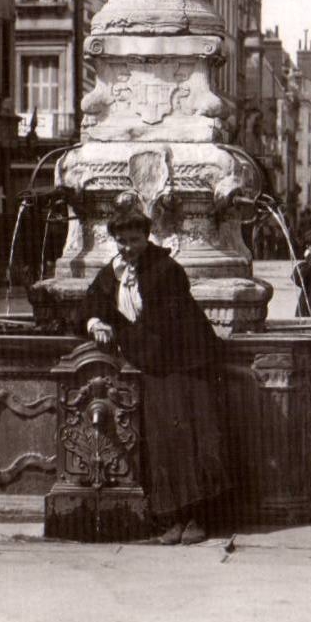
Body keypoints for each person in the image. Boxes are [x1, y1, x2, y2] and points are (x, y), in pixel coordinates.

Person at [81, 204, 227, 545]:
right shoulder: (115, 269)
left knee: (191, 439)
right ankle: (172, 518)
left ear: (146, 237)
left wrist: (117, 329)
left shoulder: (166, 270)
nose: (127, 247)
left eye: (133, 240)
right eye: (121, 240)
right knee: (163, 443)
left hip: (185, 363)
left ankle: (199, 518)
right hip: (154, 365)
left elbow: (162, 328)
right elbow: (91, 301)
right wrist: (95, 322)